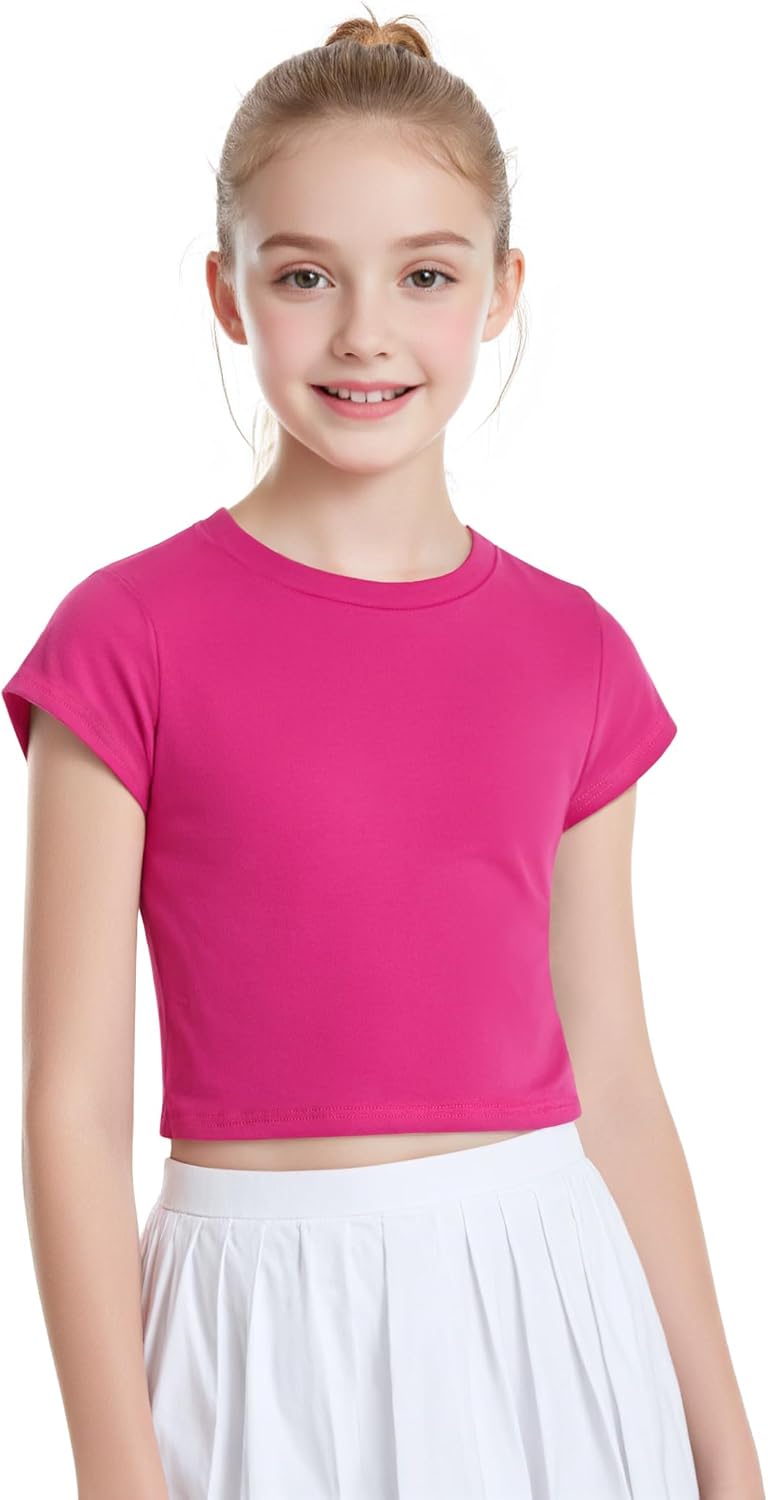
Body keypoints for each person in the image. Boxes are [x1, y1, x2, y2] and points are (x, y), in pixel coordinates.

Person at [3, 8, 763, 1500]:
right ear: (228, 294)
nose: (365, 332)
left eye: (426, 274)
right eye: (305, 275)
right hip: (249, 1331)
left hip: (545, 1314)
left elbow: (615, 1071)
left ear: (501, 291)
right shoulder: (125, 637)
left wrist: (731, 1453)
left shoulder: (576, 651)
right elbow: (68, 1108)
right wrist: (115, 1473)